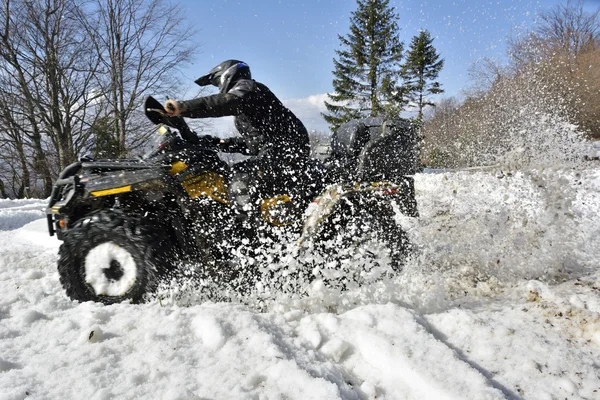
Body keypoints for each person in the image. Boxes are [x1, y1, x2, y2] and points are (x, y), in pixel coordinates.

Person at [164, 59, 311, 223]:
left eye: (217, 83)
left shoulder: (249, 88)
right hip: (277, 152)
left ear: (227, 75)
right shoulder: (248, 108)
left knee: (240, 175)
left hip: (288, 150)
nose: (219, 88)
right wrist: (210, 142)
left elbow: (226, 102)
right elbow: (252, 144)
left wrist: (183, 107)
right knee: (231, 173)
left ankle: (246, 231)